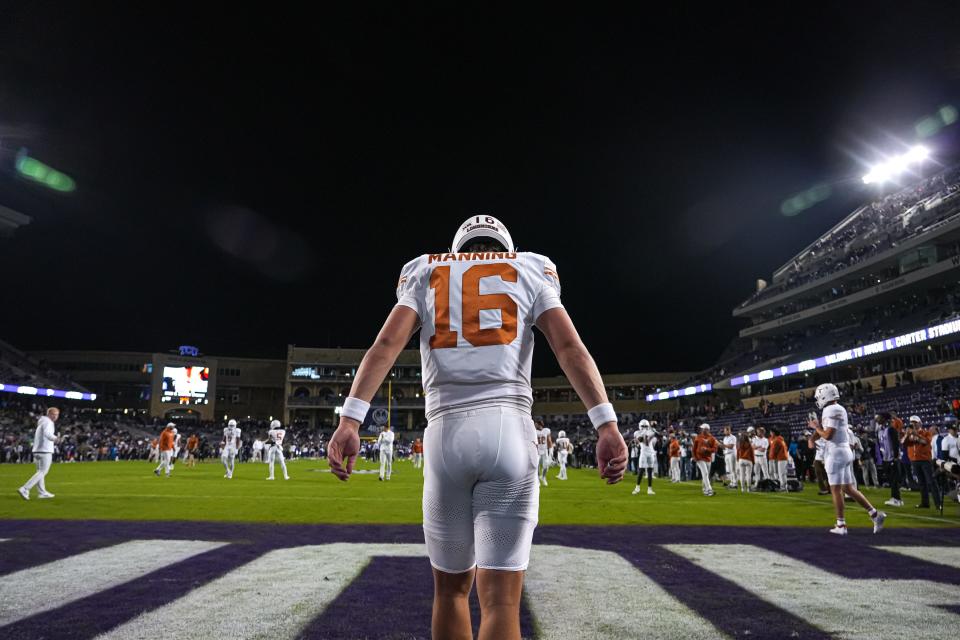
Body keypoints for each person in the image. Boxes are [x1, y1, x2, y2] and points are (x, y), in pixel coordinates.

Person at [324, 215, 627, 640]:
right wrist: (606, 422)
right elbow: (569, 347)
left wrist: (351, 419)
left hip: (445, 434)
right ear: (505, 246)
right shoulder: (528, 268)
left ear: (456, 248)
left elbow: (386, 345)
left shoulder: (425, 270)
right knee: (501, 601)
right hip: (509, 432)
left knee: (449, 593)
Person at [808, 383, 885, 535]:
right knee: (848, 488)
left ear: (825, 396)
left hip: (836, 452)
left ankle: (841, 525)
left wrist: (815, 427)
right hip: (843, 450)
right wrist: (812, 438)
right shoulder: (837, 408)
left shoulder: (831, 409)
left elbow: (828, 434)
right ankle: (875, 514)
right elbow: (825, 429)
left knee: (835, 490)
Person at [17, 407, 60, 500]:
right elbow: (48, 434)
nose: (56, 416)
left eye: (57, 414)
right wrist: (56, 438)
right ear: (49, 414)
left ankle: (42, 492)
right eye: (54, 414)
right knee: (43, 472)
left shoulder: (42, 421)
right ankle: (25, 488)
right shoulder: (49, 422)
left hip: (37, 450)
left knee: (40, 472)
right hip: (45, 450)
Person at [902, 416, 941, 511]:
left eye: (915, 422)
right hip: (914, 460)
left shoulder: (926, 432)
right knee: (921, 483)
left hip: (925, 460)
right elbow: (903, 443)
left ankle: (938, 504)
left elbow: (925, 442)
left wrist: (917, 435)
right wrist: (907, 434)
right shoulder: (909, 433)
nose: (913, 424)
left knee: (931, 482)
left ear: (920, 423)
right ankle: (925, 503)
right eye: (912, 422)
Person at [876, 413, 903, 507]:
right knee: (892, 480)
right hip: (885, 458)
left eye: (879, 417)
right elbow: (880, 445)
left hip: (892, 458)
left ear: (884, 418)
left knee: (895, 480)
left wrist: (895, 457)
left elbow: (896, 443)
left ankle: (896, 499)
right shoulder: (879, 430)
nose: (877, 419)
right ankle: (897, 499)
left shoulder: (891, 429)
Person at [632, 419, 657, 495]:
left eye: (646, 426)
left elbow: (649, 441)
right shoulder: (637, 432)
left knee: (650, 471)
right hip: (643, 453)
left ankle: (649, 489)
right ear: (640, 426)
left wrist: (653, 432)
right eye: (643, 426)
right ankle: (637, 488)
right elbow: (641, 440)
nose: (644, 427)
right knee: (641, 470)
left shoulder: (650, 431)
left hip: (650, 452)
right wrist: (647, 433)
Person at [693, 424, 718, 496]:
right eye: (701, 429)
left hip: (708, 458)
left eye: (703, 429)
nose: (701, 430)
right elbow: (694, 448)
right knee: (705, 473)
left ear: (707, 429)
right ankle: (709, 490)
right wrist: (694, 457)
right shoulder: (698, 437)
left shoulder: (712, 438)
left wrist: (707, 449)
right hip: (699, 458)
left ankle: (705, 490)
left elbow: (715, 449)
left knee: (706, 475)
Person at [535, 419, 552, 487]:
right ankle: (538, 479)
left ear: (539, 424)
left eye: (536, 424)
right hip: (537, 452)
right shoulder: (534, 431)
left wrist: (551, 451)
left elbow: (549, 440)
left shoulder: (546, 430)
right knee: (537, 466)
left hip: (545, 451)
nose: (535, 425)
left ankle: (543, 477)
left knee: (546, 466)